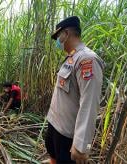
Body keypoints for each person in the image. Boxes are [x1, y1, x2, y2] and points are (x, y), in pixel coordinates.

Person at [45, 16, 105, 164]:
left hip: (67, 135)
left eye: (58, 36)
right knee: (53, 157)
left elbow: (89, 103)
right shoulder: (71, 58)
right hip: (55, 125)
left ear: (66, 33)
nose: (58, 40)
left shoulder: (87, 60)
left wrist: (81, 144)